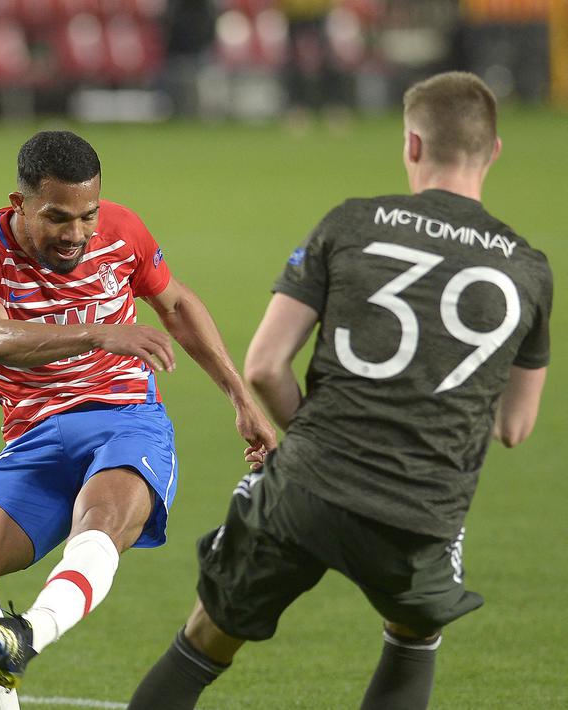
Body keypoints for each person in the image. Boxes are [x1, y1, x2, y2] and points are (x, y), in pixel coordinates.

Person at [127, 71, 551, 710]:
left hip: (308, 486)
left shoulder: (353, 223)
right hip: (421, 508)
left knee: (202, 642)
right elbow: (515, 427)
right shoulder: (527, 269)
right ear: (493, 151)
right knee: (414, 637)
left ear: (411, 144)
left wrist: (321, 438)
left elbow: (266, 365)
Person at [0, 130, 276, 709]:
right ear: (18, 204)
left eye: (87, 216)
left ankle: (30, 635)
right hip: (35, 437)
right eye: (58, 218)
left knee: (100, 522)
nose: (76, 234)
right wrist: (98, 332)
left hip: (125, 419)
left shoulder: (122, 231)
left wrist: (241, 397)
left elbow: (177, 305)